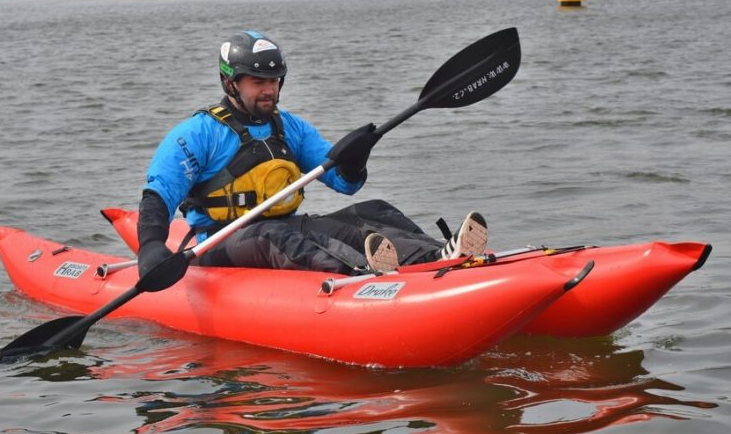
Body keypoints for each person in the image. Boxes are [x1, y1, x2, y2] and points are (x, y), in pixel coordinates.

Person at [136, 30, 488, 278]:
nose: (269, 91)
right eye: (258, 82)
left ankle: (436, 256)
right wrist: (151, 246)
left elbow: (344, 183)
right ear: (231, 83)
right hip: (221, 240)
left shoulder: (291, 127)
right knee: (273, 237)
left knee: (371, 212)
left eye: (274, 81)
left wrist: (355, 160)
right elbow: (158, 195)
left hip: (284, 225)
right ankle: (362, 273)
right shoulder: (197, 133)